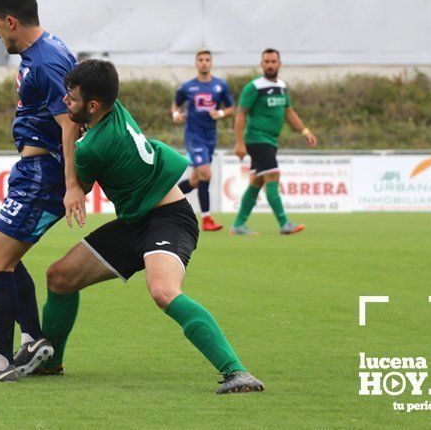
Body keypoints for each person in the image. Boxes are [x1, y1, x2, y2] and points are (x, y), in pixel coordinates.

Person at [21, 58, 264, 394]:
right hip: (135, 222)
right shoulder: (113, 107)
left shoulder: (93, 147)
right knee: (60, 276)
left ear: (93, 105)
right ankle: (51, 363)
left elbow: (74, 179)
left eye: (71, 98)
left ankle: (237, 372)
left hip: (169, 219)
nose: (65, 102)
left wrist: (67, 145)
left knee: (163, 291)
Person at [0, 0, 86, 383]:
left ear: (11, 21)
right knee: (0, 252)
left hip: (41, 173)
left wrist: (71, 185)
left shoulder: (45, 62)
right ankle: (31, 340)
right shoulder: (46, 51)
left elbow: (69, 126)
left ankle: (0, 363)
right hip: (33, 172)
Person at [230, 48, 318, 236]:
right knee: (273, 176)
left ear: (279, 64)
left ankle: (238, 225)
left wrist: (304, 130)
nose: (270, 65)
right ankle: (284, 223)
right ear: (261, 65)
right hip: (257, 139)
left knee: (257, 181)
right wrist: (239, 143)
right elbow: (240, 114)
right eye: (266, 62)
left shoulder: (281, 86)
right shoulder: (254, 87)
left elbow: (288, 112)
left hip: (270, 141)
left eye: (273, 61)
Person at [171, 50, 234, 231]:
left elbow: (230, 108)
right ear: (196, 63)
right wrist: (176, 114)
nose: (204, 63)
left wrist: (220, 113)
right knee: (206, 174)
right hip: (193, 136)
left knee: (195, 181)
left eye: (207, 60)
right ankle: (206, 219)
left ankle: (164, 200)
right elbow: (175, 105)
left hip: (210, 137)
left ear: (211, 63)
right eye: (201, 60)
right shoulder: (187, 87)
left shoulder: (220, 86)